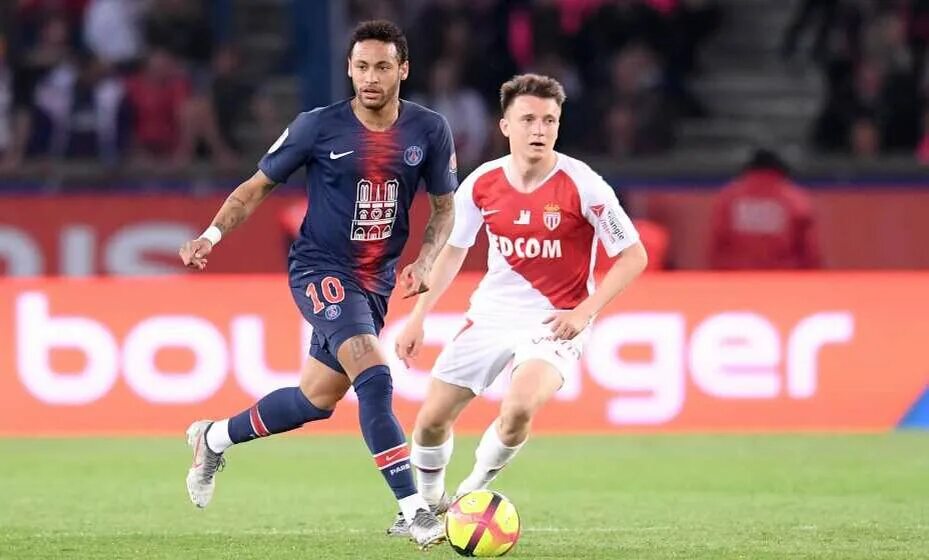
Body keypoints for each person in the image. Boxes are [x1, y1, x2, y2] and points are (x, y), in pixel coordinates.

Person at [178, 20, 457, 549]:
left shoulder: (429, 130)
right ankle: (415, 511)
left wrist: (425, 260)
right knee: (374, 375)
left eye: (381, 67)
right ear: (348, 69)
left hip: (376, 281)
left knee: (316, 398)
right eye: (361, 67)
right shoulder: (317, 127)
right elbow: (254, 188)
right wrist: (210, 235)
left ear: (403, 70)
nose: (370, 77)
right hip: (320, 270)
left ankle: (212, 437)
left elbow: (445, 208)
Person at [385, 74, 648, 538]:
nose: (539, 129)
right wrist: (418, 318)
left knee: (519, 408)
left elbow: (633, 255)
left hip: (555, 320)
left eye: (549, 120)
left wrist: (584, 311)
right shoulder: (481, 183)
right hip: (491, 315)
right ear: (505, 125)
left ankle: (469, 495)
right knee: (430, 423)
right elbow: (453, 252)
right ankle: (427, 505)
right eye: (528, 119)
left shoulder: (584, 185)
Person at [708, 148, 820, 270]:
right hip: (782, 277)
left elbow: (717, 244)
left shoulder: (729, 198)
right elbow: (810, 251)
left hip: (738, 276)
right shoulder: (794, 199)